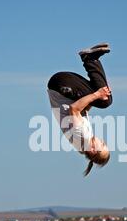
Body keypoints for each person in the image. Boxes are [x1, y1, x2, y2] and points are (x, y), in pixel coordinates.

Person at [47, 43, 113, 176]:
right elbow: (84, 109)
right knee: (104, 98)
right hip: (61, 86)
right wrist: (100, 91)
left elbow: (74, 109)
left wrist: (97, 95)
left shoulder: (82, 137)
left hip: (61, 85)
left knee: (105, 101)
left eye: (103, 144)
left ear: (94, 150)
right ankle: (91, 59)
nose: (103, 141)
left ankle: (89, 58)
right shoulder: (84, 142)